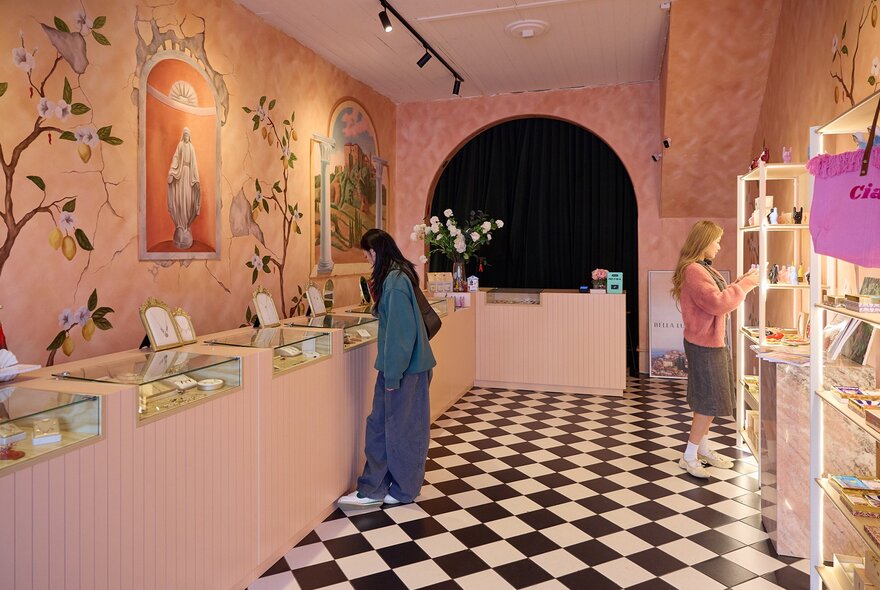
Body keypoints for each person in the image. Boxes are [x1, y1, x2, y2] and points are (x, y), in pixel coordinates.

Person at [338, 229, 437, 507]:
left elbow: (399, 336)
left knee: (397, 429)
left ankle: (394, 490)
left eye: (368, 255)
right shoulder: (398, 275)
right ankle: (381, 487)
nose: (368, 261)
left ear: (376, 252)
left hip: (403, 371)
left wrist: (392, 376)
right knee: (391, 427)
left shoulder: (393, 281)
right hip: (408, 368)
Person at [671, 220, 759, 478]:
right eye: (716, 241)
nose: (719, 247)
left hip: (709, 343)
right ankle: (689, 455)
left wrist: (740, 281)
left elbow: (717, 296)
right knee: (708, 402)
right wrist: (745, 285)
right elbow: (717, 303)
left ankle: (703, 449)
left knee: (709, 399)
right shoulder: (694, 271)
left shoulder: (700, 268)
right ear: (704, 243)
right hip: (705, 345)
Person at [167, 127, 201, 249]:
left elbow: (194, 164)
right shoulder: (180, 145)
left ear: (189, 136)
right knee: (180, 200)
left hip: (189, 176)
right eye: (185, 135)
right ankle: (180, 226)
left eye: (188, 135)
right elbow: (175, 158)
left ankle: (186, 225)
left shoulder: (191, 147)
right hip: (180, 175)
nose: (186, 137)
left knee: (188, 200)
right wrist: (172, 172)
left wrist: (196, 179)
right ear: (183, 135)